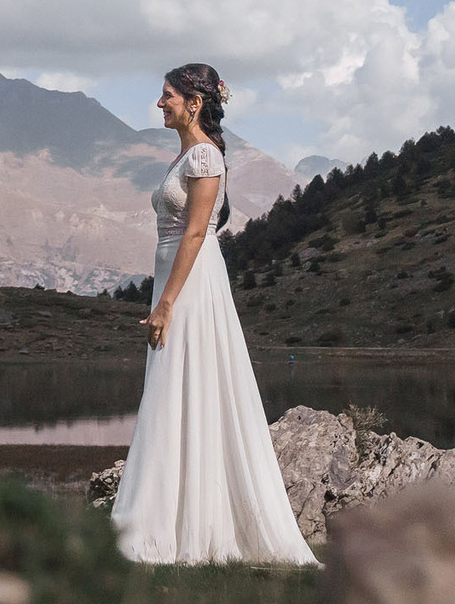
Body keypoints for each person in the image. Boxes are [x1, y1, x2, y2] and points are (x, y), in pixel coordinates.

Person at [107, 63, 317, 566]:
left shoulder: (204, 155)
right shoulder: (187, 155)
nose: (160, 103)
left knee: (181, 382)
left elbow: (197, 233)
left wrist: (167, 302)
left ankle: (177, 527)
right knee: (172, 387)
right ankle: (175, 517)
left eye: (168, 95)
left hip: (191, 285)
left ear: (194, 103)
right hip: (174, 279)